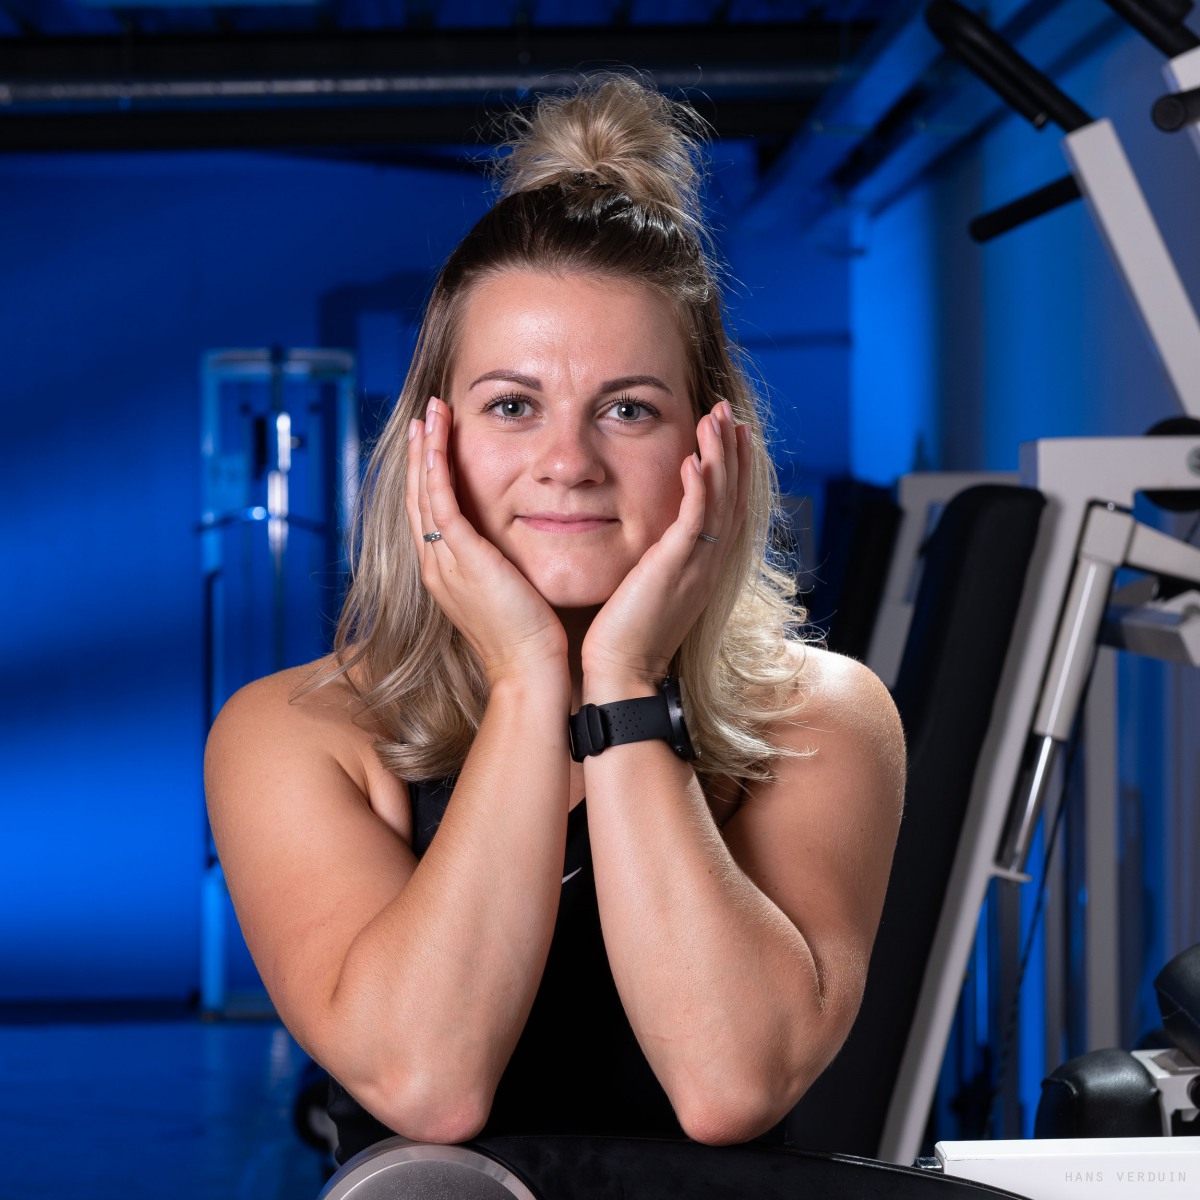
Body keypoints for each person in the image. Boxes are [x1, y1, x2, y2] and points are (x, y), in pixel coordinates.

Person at [204, 74, 904, 1163]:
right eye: (513, 405)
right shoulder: (293, 736)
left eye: (628, 408)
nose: (568, 462)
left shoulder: (826, 720)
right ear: (434, 442)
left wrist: (622, 682)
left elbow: (731, 1086)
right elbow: (428, 1086)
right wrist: (530, 677)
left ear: (710, 444)